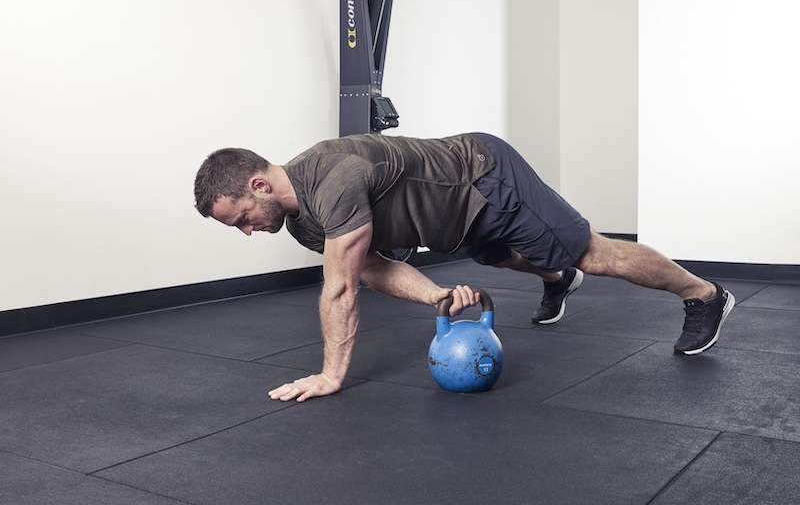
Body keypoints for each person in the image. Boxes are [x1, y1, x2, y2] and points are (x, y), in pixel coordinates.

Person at [193, 132, 735, 403]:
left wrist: (333, 375)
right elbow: (371, 269)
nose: (246, 231)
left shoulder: (332, 180)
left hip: (486, 176)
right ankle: (557, 278)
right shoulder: (303, 223)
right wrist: (435, 296)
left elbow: (339, 291)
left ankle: (703, 293)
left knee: (590, 251)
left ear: (259, 185)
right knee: (494, 254)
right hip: (458, 219)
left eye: (241, 218)